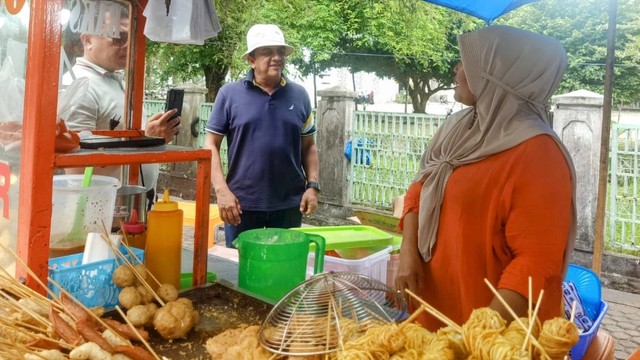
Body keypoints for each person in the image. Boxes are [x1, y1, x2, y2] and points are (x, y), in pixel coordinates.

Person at [394, 25, 577, 331]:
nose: (456, 68)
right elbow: (421, 185)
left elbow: (534, 262)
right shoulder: (458, 127)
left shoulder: (538, 153)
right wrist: (408, 252)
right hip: (435, 316)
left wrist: (479, 334)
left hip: (496, 332)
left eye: (468, 61)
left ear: (501, 73)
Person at [204, 24, 320, 248]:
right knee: (241, 272)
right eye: (267, 51)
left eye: (280, 51)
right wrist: (221, 191)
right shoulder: (229, 95)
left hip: (288, 204)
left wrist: (312, 186)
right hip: (241, 204)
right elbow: (210, 145)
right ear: (251, 60)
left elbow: (309, 147)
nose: (276, 57)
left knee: (285, 269)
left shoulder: (300, 95)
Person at [62, 5, 179, 206]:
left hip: (131, 205)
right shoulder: (79, 85)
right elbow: (75, 168)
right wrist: (146, 143)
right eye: (119, 38)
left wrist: (149, 137)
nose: (128, 46)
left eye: (132, 39)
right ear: (88, 40)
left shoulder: (117, 82)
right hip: (98, 212)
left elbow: (127, 139)